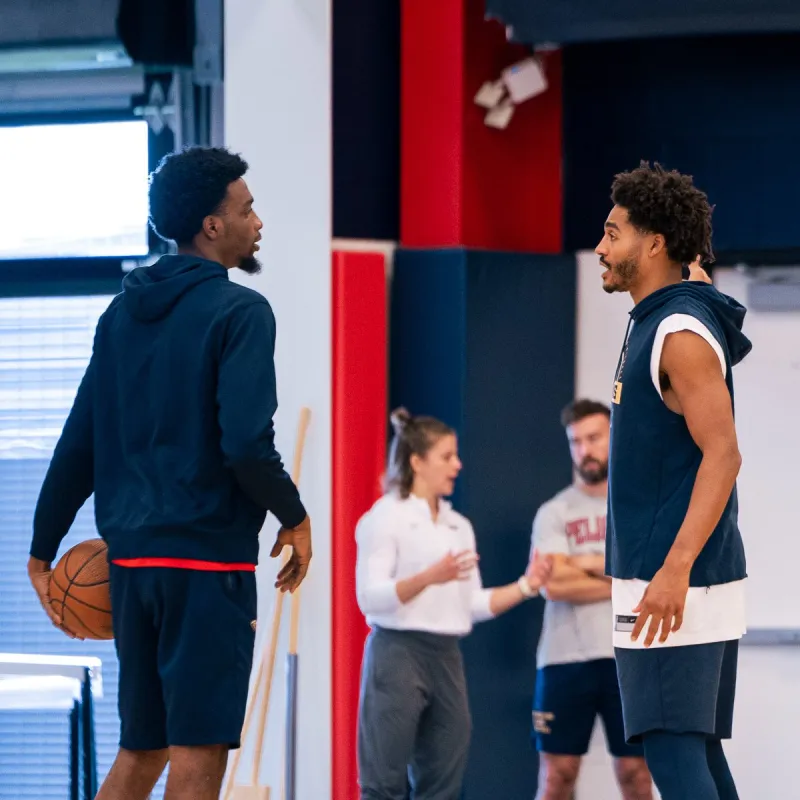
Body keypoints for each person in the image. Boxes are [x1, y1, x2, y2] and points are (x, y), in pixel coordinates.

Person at [27, 146, 313, 800]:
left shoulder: (119, 315)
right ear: (212, 227)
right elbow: (244, 443)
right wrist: (295, 517)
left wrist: (41, 552)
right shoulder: (241, 312)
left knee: (143, 750)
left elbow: (78, 444)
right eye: (246, 209)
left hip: (130, 568)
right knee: (198, 758)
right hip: (206, 569)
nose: (258, 222)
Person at [595, 161, 751, 800]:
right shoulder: (666, 315)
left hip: (672, 583)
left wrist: (674, 569)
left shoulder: (677, 330)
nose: (601, 247)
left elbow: (724, 455)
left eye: (613, 233)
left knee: (673, 759)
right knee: (698, 760)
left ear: (653, 244)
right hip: (681, 579)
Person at [355, 408, 551, 800]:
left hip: (446, 657)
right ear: (416, 461)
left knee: (443, 784)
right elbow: (369, 598)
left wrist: (528, 585)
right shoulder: (386, 517)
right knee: (383, 784)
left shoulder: (458, 526)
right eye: (447, 457)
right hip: (397, 653)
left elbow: (472, 604)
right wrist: (430, 576)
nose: (457, 465)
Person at [531, 399, 652, 800]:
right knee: (557, 776)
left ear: (614, 436)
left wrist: (580, 562)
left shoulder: (638, 507)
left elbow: (649, 579)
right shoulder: (554, 511)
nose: (584, 449)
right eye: (575, 441)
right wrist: (619, 577)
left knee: (636, 772)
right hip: (564, 658)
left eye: (594, 438)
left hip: (628, 657)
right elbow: (554, 586)